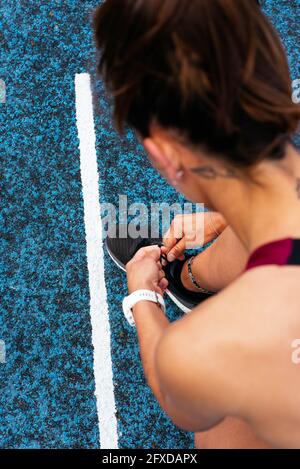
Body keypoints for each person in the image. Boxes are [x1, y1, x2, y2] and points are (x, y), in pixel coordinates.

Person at [94, 0, 300, 448]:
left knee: (222, 434)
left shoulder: (210, 348)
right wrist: (225, 216)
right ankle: (191, 281)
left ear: (166, 157)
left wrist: (144, 297)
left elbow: (177, 397)